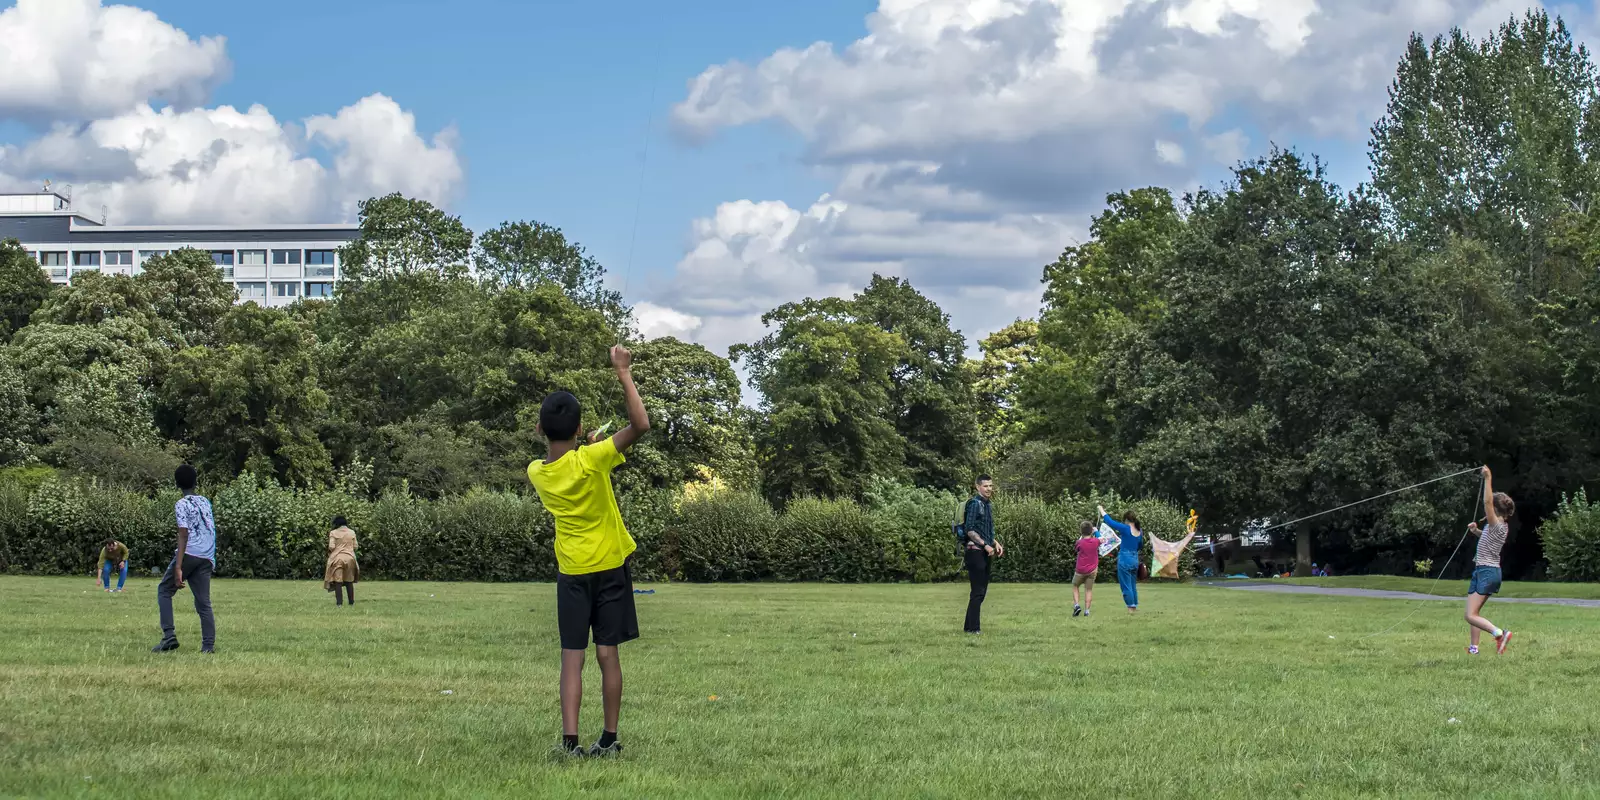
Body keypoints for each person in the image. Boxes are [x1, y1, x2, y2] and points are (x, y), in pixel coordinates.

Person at [527, 345, 650, 758]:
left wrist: (585, 447)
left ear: (541, 430)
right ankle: (610, 739)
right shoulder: (594, 459)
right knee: (607, 654)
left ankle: (570, 743)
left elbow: (566, 462)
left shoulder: (537, 473)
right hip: (611, 567)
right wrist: (623, 372)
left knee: (571, 657)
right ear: (580, 429)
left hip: (572, 571)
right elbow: (640, 424)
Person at [153, 464, 217, 654]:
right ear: (196, 482)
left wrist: (179, 566)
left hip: (190, 552)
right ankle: (208, 646)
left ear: (177, 484)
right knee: (204, 602)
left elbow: (183, 533)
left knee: (164, 590)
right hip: (207, 554)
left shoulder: (181, 504)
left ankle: (169, 636)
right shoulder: (205, 501)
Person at [1465, 466, 1515, 655]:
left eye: (1490, 508)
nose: (1487, 510)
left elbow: (1487, 501)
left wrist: (1488, 478)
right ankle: (1474, 648)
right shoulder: (1496, 527)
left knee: (1470, 615)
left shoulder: (1496, 524)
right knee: (1473, 614)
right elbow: (1487, 540)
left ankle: (1500, 634)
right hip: (1484, 571)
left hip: (1487, 571)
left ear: (1494, 510)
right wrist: (1476, 531)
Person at [961, 475, 1003, 634]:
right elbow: (970, 530)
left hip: (985, 551)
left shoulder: (987, 505)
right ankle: (974, 629)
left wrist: (994, 542)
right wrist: (985, 545)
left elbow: (984, 530)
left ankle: (968, 627)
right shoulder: (975, 504)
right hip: (975, 552)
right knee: (978, 591)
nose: (989, 489)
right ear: (978, 487)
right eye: (986, 486)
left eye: (991, 486)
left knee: (980, 592)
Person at [1099, 505, 1142, 613]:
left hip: (1125, 558)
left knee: (1125, 585)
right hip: (1135, 559)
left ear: (1126, 520)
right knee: (1132, 584)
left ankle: (1130, 608)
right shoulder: (1140, 531)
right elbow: (1140, 546)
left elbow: (1110, 522)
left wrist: (1102, 510)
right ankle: (1134, 606)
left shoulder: (1125, 528)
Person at [324, 516, 359, 607]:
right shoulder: (352, 532)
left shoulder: (333, 532)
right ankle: (351, 603)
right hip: (350, 558)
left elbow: (331, 546)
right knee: (349, 581)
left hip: (337, 558)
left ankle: (339, 604)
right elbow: (355, 546)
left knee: (338, 581)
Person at [1072, 521, 1098, 617]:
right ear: (1091, 531)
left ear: (1081, 531)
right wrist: (1096, 531)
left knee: (1075, 586)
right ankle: (1087, 611)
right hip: (1092, 570)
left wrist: (1081, 537)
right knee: (1088, 590)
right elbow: (1101, 539)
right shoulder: (1096, 541)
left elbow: (1076, 548)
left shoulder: (1079, 542)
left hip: (1080, 570)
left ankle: (1077, 605)